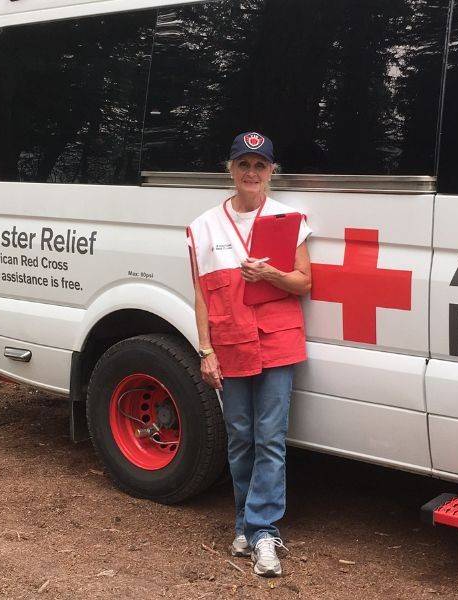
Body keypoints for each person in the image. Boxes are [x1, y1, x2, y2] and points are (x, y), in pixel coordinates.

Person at [187, 132, 312, 577]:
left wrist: (272, 274)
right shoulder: (203, 226)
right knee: (241, 439)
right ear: (231, 169)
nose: (252, 173)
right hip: (231, 345)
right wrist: (206, 351)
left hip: (278, 342)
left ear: (271, 171)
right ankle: (244, 521)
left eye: (260, 165)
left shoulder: (288, 219)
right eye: (244, 164)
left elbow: (304, 283)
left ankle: (262, 531)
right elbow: (201, 295)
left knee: (271, 440)